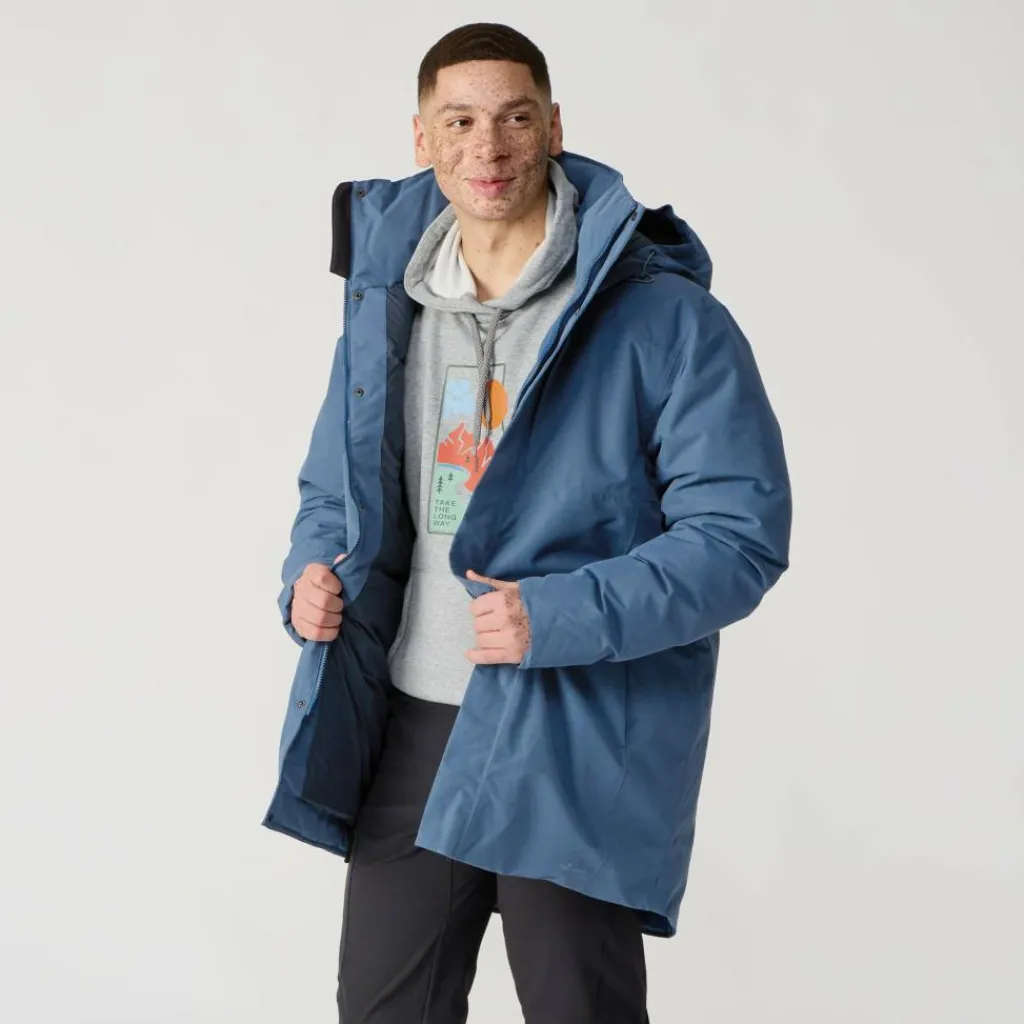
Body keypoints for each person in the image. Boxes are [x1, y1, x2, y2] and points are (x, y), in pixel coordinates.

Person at [264, 21, 792, 1024]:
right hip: (412, 722)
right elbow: (334, 490)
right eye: (459, 121)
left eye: (513, 118)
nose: (488, 146)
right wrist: (310, 573)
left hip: (570, 728)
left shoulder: (662, 320)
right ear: (421, 137)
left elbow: (737, 538)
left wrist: (556, 615)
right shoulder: (385, 307)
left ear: (553, 128)